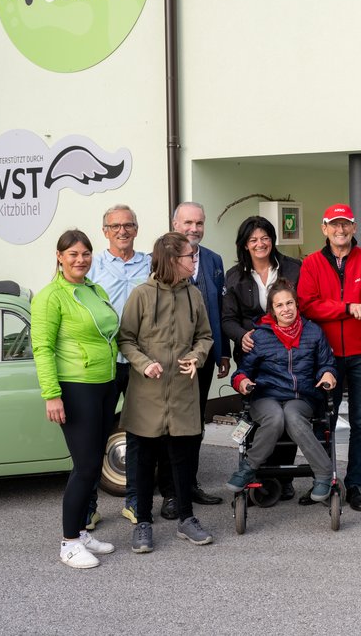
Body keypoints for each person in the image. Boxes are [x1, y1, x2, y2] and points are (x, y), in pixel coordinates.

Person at [118, 232, 215, 552]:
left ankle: (186, 519)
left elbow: (205, 336)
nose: (193, 260)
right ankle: (143, 522)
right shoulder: (141, 295)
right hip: (147, 391)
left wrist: (196, 357)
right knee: (144, 460)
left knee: (182, 458)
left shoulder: (194, 295)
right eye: (189, 256)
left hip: (183, 390)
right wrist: (144, 363)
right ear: (173, 260)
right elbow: (125, 339)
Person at [32, 229, 119, 569]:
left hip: (104, 384)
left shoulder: (93, 290)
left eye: (85, 253)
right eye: (73, 254)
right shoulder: (50, 296)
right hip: (75, 386)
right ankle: (68, 543)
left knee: (93, 464)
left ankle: (82, 532)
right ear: (59, 256)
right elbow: (42, 348)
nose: (80, 259)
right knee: (84, 467)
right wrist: (52, 395)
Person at [86, 204, 173, 525]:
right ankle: (88, 506)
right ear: (105, 231)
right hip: (104, 365)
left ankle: (136, 502)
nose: (122, 231)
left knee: (139, 434)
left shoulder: (149, 265)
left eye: (128, 225)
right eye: (115, 226)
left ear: (136, 229)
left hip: (141, 363)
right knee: (95, 435)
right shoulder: (91, 266)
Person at [297, 203, 361, 512]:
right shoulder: (311, 264)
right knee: (324, 421)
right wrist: (347, 307)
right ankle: (324, 480)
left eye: (345, 224)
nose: (340, 229)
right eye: (334, 225)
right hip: (325, 356)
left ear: (353, 227)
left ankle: (355, 484)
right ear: (324, 229)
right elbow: (307, 305)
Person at [225, 280, 338, 500]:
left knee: (292, 416)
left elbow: (327, 363)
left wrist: (327, 373)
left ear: (297, 305)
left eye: (289, 303)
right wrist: (243, 382)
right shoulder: (259, 336)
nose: (285, 309)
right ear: (272, 310)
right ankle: (249, 468)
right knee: (275, 416)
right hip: (266, 396)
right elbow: (242, 371)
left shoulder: (313, 332)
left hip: (301, 396)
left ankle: (324, 474)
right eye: (279, 305)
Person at [223, 215, 303, 498]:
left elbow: (301, 309)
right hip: (252, 352)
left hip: (290, 351)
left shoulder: (293, 268)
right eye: (253, 239)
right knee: (262, 408)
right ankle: (259, 472)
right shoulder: (234, 277)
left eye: (265, 237)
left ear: (273, 239)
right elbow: (228, 318)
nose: (260, 244)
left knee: (289, 402)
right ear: (245, 245)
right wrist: (241, 335)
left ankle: (284, 473)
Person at [171, 201, 228, 507]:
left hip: (204, 357)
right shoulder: (160, 259)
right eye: (188, 223)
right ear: (175, 224)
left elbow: (219, 311)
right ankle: (171, 491)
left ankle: (190, 483)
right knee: (172, 425)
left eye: (200, 223)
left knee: (196, 423)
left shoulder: (214, 260)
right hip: (172, 362)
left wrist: (223, 353)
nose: (194, 229)